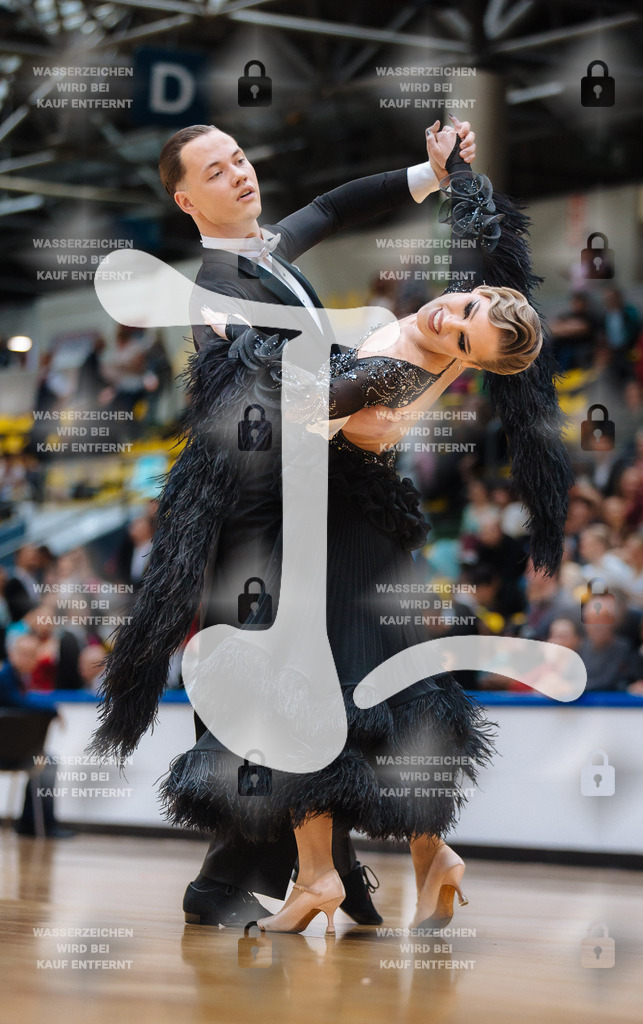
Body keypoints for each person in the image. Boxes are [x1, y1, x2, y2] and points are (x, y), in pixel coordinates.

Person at [90, 125, 572, 933]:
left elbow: (336, 205)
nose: (238, 173)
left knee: (331, 684)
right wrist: (365, 387)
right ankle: (310, 869)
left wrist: (430, 172)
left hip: (322, 496)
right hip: (261, 514)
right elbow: (266, 408)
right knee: (297, 687)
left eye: (240, 158)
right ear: (185, 198)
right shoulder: (214, 287)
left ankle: (329, 869)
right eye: (216, 170)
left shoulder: (273, 251)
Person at [0, 633, 73, 838]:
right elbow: (21, 703)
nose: (27, 659)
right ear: (12, 654)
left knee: (47, 762)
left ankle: (32, 823)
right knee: (46, 762)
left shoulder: (18, 679)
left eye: (32, 655)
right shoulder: (4, 678)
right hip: (6, 754)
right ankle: (39, 825)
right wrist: (53, 709)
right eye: (23, 653)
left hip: (14, 753)